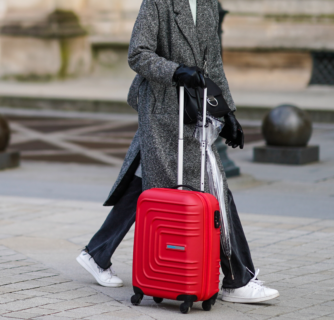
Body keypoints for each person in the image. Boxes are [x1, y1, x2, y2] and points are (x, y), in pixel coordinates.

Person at [77, 0, 279, 303]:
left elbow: (214, 64)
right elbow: (138, 54)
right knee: (213, 186)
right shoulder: (158, 2)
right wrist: (177, 72)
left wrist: (228, 114)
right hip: (161, 110)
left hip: (192, 110)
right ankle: (238, 279)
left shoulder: (208, 4)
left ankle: (96, 253)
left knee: (150, 182)